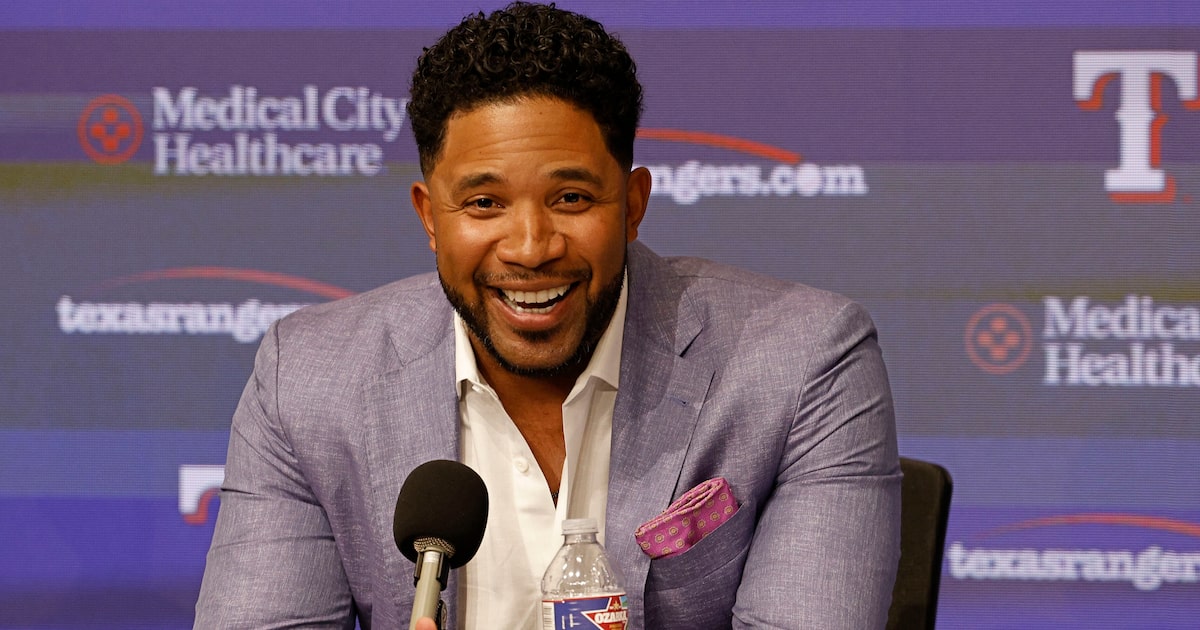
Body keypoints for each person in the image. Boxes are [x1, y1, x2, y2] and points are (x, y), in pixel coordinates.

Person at [194, 3, 900, 628]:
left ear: (633, 205)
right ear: (429, 217)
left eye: (571, 199)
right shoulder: (308, 381)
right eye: (484, 204)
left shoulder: (802, 362)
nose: (531, 248)